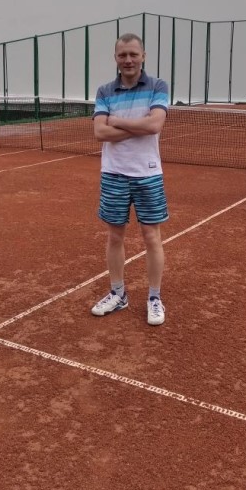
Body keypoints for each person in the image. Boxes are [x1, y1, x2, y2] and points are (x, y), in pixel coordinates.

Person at [90, 33, 169, 326]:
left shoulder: (158, 86)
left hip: (148, 173)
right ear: (116, 58)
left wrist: (118, 121)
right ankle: (118, 294)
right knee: (115, 236)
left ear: (143, 56)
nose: (128, 60)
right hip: (114, 173)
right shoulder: (104, 91)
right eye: (122, 55)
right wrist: (140, 126)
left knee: (151, 236)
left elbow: (155, 125)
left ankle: (154, 298)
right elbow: (100, 132)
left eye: (133, 54)